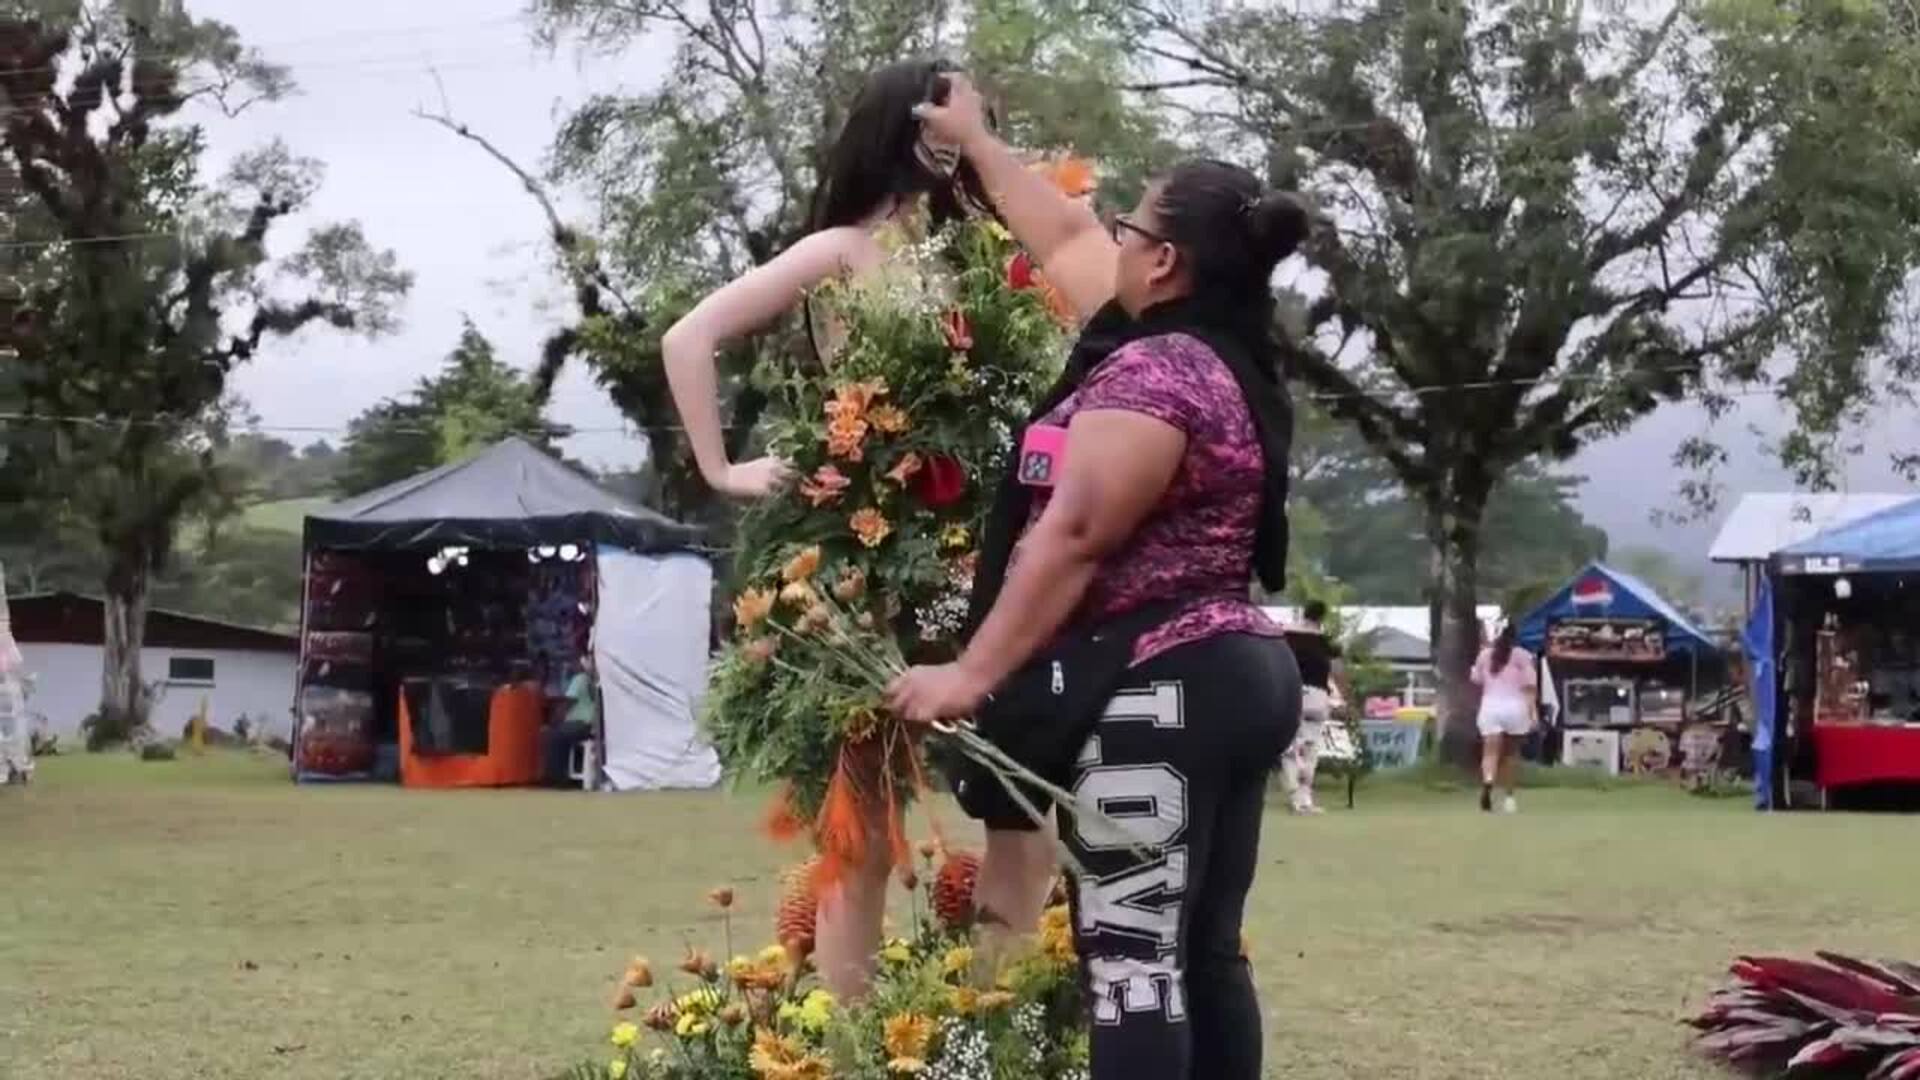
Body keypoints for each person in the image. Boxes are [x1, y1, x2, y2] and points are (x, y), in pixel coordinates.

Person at [888, 76, 1305, 1080]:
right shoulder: (1220, 356)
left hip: (1163, 690)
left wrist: (968, 676)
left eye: (1129, 228)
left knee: (1130, 969)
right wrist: (979, 142)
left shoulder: (1153, 375)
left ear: (1163, 261)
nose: (1107, 240)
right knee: (1200, 953)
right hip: (1236, 670)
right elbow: (1067, 239)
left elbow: (1072, 534)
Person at [659, 58, 1013, 1000]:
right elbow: (686, 338)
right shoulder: (841, 252)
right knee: (860, 827)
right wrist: (723, 469)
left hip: (983, 556)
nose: (967, 129)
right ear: (910, 127)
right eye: (950, 114)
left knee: (1023, 799)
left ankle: (1001, 1014)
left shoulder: (982, 256)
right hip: (867, 559)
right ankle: (853, 1036)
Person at [1280, 601, 1346, 814]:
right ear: (1321, 618)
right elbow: (1336, 667)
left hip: (1290, 694)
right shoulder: (1324, 642)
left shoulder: (1285, 636)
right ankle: (1305, 797)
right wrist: (1342, 699)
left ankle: (1294, 795)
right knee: (1311, 748)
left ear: (1303, 613)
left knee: (1290, 748)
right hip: (1317, 697)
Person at [1472, 620, 1538, 813]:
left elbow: (1476, 679)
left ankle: (1488, 781)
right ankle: (1509, 798)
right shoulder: (1523, 656)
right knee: (1511, 755)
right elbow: (1529, 688)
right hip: (1515, 707)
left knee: (1489, 754)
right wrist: (1533, 713)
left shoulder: (1484, 655)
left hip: (1490, 706)